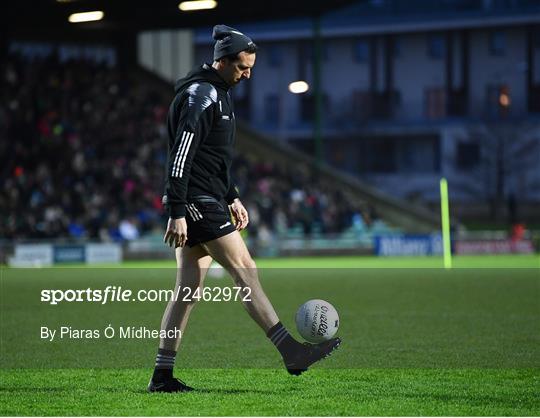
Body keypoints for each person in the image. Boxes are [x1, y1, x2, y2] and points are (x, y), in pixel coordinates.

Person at [148, 25, 341, 393]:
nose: (248, 74)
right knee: (246, 273)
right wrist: (177, 209)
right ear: (222, 61)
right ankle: (291, 353)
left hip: (205, 198)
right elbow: (182, 154)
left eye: (250, 67)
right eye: (242, 67)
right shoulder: (202, 95)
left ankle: (162, 375)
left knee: (187, 291)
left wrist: (232, 194)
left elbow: (213, 157)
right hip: (197, 202)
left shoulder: (218, 92)